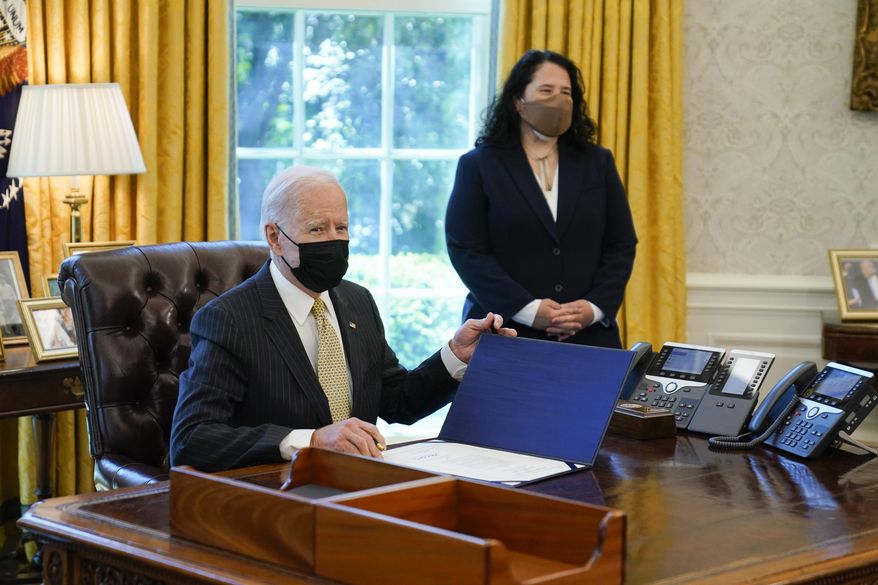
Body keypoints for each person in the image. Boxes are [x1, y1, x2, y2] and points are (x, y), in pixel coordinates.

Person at [170, 166, 515, 472]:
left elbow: (398, 401)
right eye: (317, 229)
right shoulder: (228, 319)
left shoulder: (357, 301)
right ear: (274, 237)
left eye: (341, 227)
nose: (333, 241)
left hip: (359, 485)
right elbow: (192, 439)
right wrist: (310, 441)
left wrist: (455, 355)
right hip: (277, 494)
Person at [445, 50, 637, 348]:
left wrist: (593, 307)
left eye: (566, 93)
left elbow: (621, 244)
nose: (558, 100)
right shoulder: (479, 165)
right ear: (518, 102)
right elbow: (466, 248)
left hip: (589, 336)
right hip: (504, 332)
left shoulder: (598, 162)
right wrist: (528, 310)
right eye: (546, 91)